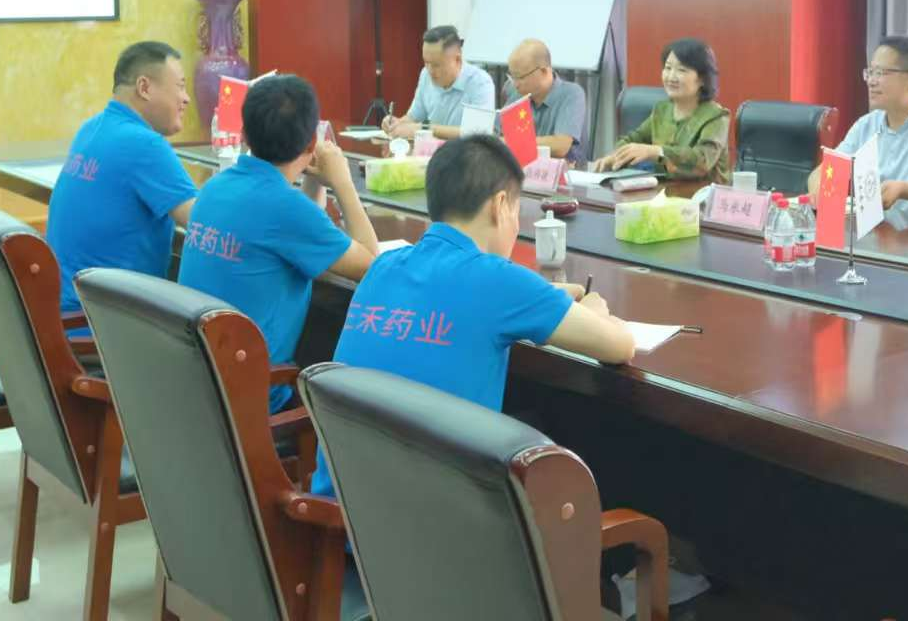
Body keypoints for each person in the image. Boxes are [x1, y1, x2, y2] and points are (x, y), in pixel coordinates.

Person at [309, 134, 634, 499]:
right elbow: (620, 346)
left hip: (344, 511)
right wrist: (594, 310)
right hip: (438, 521)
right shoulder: (500, 281)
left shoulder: (383, 267)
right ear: (500, 205)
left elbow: (456, 297)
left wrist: (546, 296)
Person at [178, 74, 380, 411]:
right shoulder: (283, 208)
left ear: (244, 133)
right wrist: (343, 182)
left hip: (198, 383)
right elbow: (372, 265)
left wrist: (316, 181)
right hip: (251, 398)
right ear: (311, 143)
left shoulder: (217, 186)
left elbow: (302, 229)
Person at [47, 41, 198, 324]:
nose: (186, 98)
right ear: (144, 87)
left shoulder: (91, 128)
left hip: (64, 313)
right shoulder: (143, 144)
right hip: (102, 325)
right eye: (180, 86)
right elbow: (204, 224)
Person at [807, 35, 908, 229]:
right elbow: (826, 171)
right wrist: (819, 186)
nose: (871, 81)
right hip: (874, 237)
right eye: (870, 72)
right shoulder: (867, 124)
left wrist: (904, 190)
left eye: (881, 73)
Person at [593, 37, 731, 184]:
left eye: (681, 70)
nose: (671, 77)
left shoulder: (716, 116)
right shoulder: (662, 110)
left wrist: (656, 151)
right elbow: (634, 139)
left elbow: (702, 161)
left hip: (703, 194)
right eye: (668, 68)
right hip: (664, 192)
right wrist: (616, 156)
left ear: (702, 79)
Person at [433, 38, 591, 163]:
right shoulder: (517, 93)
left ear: (543, 71)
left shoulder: (571, 94)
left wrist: (507, 142)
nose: (515, 84)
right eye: (512, 76)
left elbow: (560, 146)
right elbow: (492, 133)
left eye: (520, 77)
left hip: (567, 178)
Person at [381, 25, 494, 140]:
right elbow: (414, 118)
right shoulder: (425, 74)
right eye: (426, 62)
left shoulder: (480, 82)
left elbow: (478, 133)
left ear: (457, 59)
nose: (430, 71)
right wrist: (397, 123)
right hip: (431, 149)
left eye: (436, 65)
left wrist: (426, 128)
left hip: (464, 150)